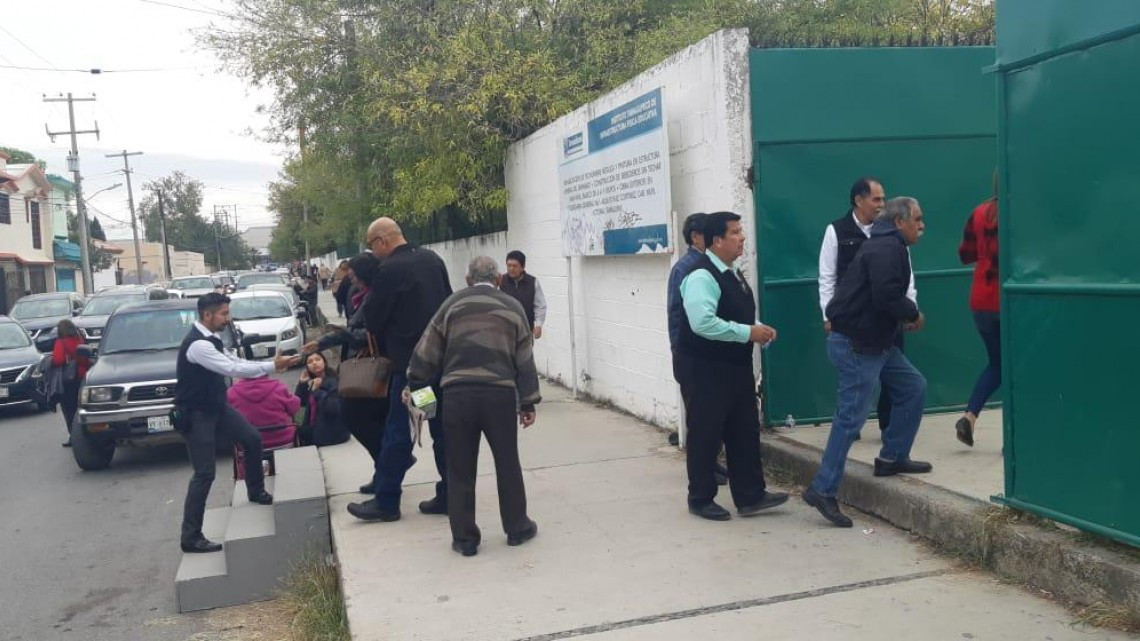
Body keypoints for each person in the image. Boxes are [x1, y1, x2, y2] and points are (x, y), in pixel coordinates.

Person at [804, 197, 931, 528]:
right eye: (917, 219)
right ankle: (822, 489)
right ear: (899, 222)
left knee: (912, 386)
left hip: (875, 342)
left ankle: (893, 456)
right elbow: (886, 295)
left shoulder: (888, 245)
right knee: (850, 420)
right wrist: (912, 314)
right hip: (857, 345)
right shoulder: (887, 248)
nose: (922, 226)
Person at [407, 256, 541, 556]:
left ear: (468, 279)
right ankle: (517, 528)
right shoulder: (513, 307)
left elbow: (424, 355)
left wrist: (423, 399)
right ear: (498, 279)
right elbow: (524, 359)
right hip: (500, 396)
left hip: (457, 396)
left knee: (460, 468)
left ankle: (465, 539)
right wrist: (528, 402)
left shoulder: (451, 305)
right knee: (507, 462)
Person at [677, 211, 789, 521]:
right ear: (717, 241)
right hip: (706, 368)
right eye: (735, 233)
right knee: (706, 433)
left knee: (744, 430)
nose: (742, 237)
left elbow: (735, 312)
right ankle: (700, 498)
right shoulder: (701, 276)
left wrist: (758, 328)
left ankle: (751, 495)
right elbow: (702, 323)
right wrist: (747, 333)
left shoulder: (731, 271)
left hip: (735, 367)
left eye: (741, 231)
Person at [175, 293, 300, 553]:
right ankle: (191, 537)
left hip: (217, 407)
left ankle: (255, 491)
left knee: (252, 439)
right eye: (224, 314)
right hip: (197, 414)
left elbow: (236, 361)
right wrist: (271, 366)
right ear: (207, 315)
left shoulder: (212, 339)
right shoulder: (197, 345)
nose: (228, 319)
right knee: (204, 474)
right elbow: (231, 369)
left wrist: (270, 365)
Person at [347, 217, 452, 523]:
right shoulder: (433, 260)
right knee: (441, 431)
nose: (373, 251)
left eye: (372, 244)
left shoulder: (389, 270)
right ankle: (450, 494)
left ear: (382, 240)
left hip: (411, 371)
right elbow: (448, 304)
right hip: (439, 363)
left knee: (399, 431)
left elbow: (374, 319)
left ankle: (387, 501)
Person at [818, 177, 917, 436]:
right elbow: (827, 276)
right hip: (854, 321)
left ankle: (888, 426)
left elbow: (906, 277)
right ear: (858, 200)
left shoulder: (891, 231)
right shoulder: (836, 231)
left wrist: (910, 309)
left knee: (896, 377)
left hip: (887, 317)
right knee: (854, 378)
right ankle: (849, 426)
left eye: (883, 199)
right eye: (876, 199)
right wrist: (827, 314)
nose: (882, 204)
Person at [303, 253, 388, 485]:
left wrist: (340, 334)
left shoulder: (377, 297)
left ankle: (388, 466)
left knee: (356, 416)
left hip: (374, 368)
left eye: (354, 276)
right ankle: (384, 470)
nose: (352, 280)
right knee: (367, 420)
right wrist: (323, 341)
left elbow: (369, 334)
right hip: (361, 365)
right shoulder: (359, 296)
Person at [666, 213, 728, 484]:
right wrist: (679, 351)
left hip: (709, 355)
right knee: (699, 417)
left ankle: (711, 462)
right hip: (691, 355)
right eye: (710, 234)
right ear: (695, 237)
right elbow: (676, 313)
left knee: (711, 415)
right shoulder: (687, 268)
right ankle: (703, 472)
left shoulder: (710, 264)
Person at [956, 181, 1000, 447]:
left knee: (998, 364)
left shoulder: (979, 212)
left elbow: (965, 254)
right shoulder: (1021, 212)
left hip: (981, 299)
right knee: (1016, 367)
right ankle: (1014, 442)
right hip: (1007, 299)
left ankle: (969, 417)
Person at [296, 352, 350, 447]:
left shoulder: (334, 382)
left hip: (331, 434)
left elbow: (333, 408)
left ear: (325, 363)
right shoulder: (314, 382)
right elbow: (299, 404)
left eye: (317, 359)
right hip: (316, 429)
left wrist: (317, 391)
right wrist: (302, 384)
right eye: (310, 362)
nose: (314, 363)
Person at [52, 318, 90, 447]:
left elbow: (58, 360)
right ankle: (86, 431)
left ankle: (73, 435)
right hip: (83, 377)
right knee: (81, 406)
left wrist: (50, 360)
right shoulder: (80, 339)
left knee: (69, 410)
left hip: (69, 380)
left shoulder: (61, 342)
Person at [499, 250, 547, 340]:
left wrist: (538, 325)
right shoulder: (500, 281)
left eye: (515, 266)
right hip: (505, 331)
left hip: (526, 331)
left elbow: (540, 306)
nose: (511, 269)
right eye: (509, 265)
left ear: (523, 267)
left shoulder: (533, 282)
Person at [227, 372, 301, 429]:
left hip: (248, 442)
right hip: (284, 439)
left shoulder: (231, 393)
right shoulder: (278, 387)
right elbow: (294, 408)